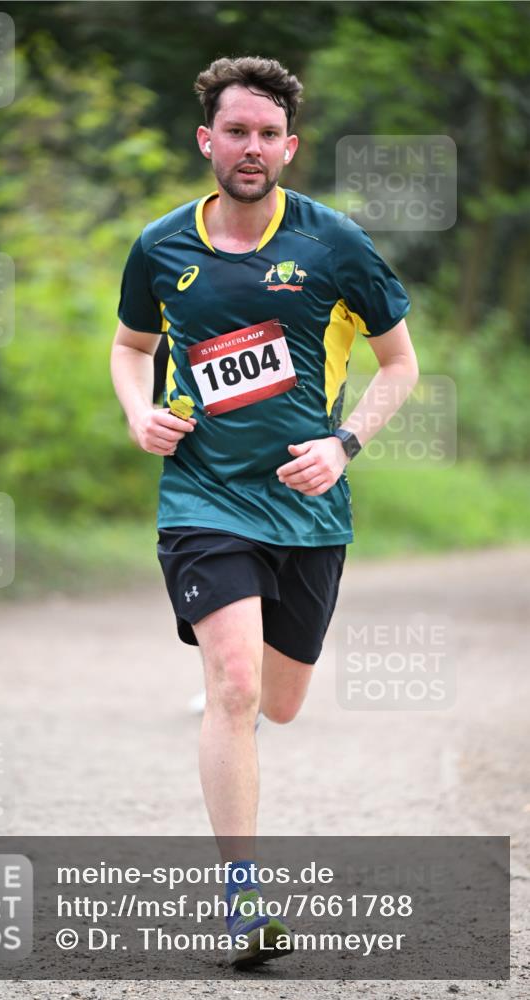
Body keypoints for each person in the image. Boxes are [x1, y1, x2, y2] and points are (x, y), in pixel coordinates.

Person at [110, 56, 419, 969]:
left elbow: (399, 365)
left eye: (266, 134)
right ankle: (242, 903)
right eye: (234, 132)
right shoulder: (160, 246)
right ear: (206, 139)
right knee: (234, 689)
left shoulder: (334, 245)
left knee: (278, 705)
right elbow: (131, 349)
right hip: (203, 495)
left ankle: (240, 710)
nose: (251, 148)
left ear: (290, 146)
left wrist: (343, 445)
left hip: (306, 508)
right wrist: (140, 412)